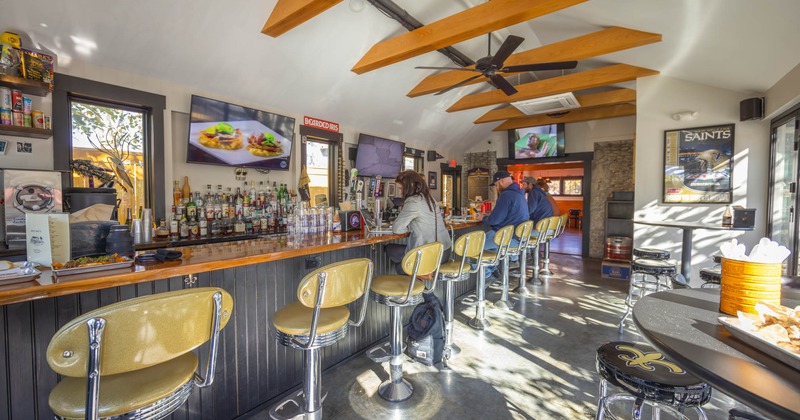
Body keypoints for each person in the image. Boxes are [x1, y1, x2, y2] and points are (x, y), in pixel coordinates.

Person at [386, 171, 452, 274]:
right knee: (403, 262)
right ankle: (425, 289)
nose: (399, 193)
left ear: (410, 186)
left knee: (390, 251)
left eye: (400, 188)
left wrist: (409, 228)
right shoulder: (430, 199)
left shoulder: (413, 201)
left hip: (430, 254)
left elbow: (397, 229)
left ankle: (424, 288)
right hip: (444, 251)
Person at [476, 171, 529, 283]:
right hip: (517, 238)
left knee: (473, 246)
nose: (496, 187)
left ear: (502, 181)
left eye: (496, 184)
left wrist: (483, 218)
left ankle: (487, 275)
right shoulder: (519, 193)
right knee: (491, 247)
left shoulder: (506, 195)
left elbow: (495, 220)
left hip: (507, 237)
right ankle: (494, 270)